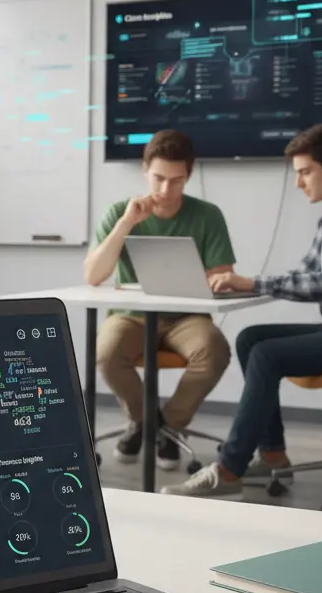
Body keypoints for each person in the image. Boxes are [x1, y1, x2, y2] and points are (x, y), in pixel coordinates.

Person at [163, 124, 322, 496]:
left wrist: (254, 284)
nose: (299, 183)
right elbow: (306, 273)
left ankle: (229, 470)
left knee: (267, 355)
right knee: (251, 338)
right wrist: (239, 282)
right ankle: (273, 456)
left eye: (305, 172)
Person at [83, 129, 235, 470]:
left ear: (189, 176)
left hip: (187, 316)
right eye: (159, 179)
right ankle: (144, 420)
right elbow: (93, 275)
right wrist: (126, 224)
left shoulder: (207, 215)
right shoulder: (121, 212)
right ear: (144, 170)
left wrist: (210, 279)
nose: (166, 190)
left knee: (214, 351)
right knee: (105, 353)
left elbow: (223, 275)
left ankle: (167, 427)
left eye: (177, 181)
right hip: (130, 314)